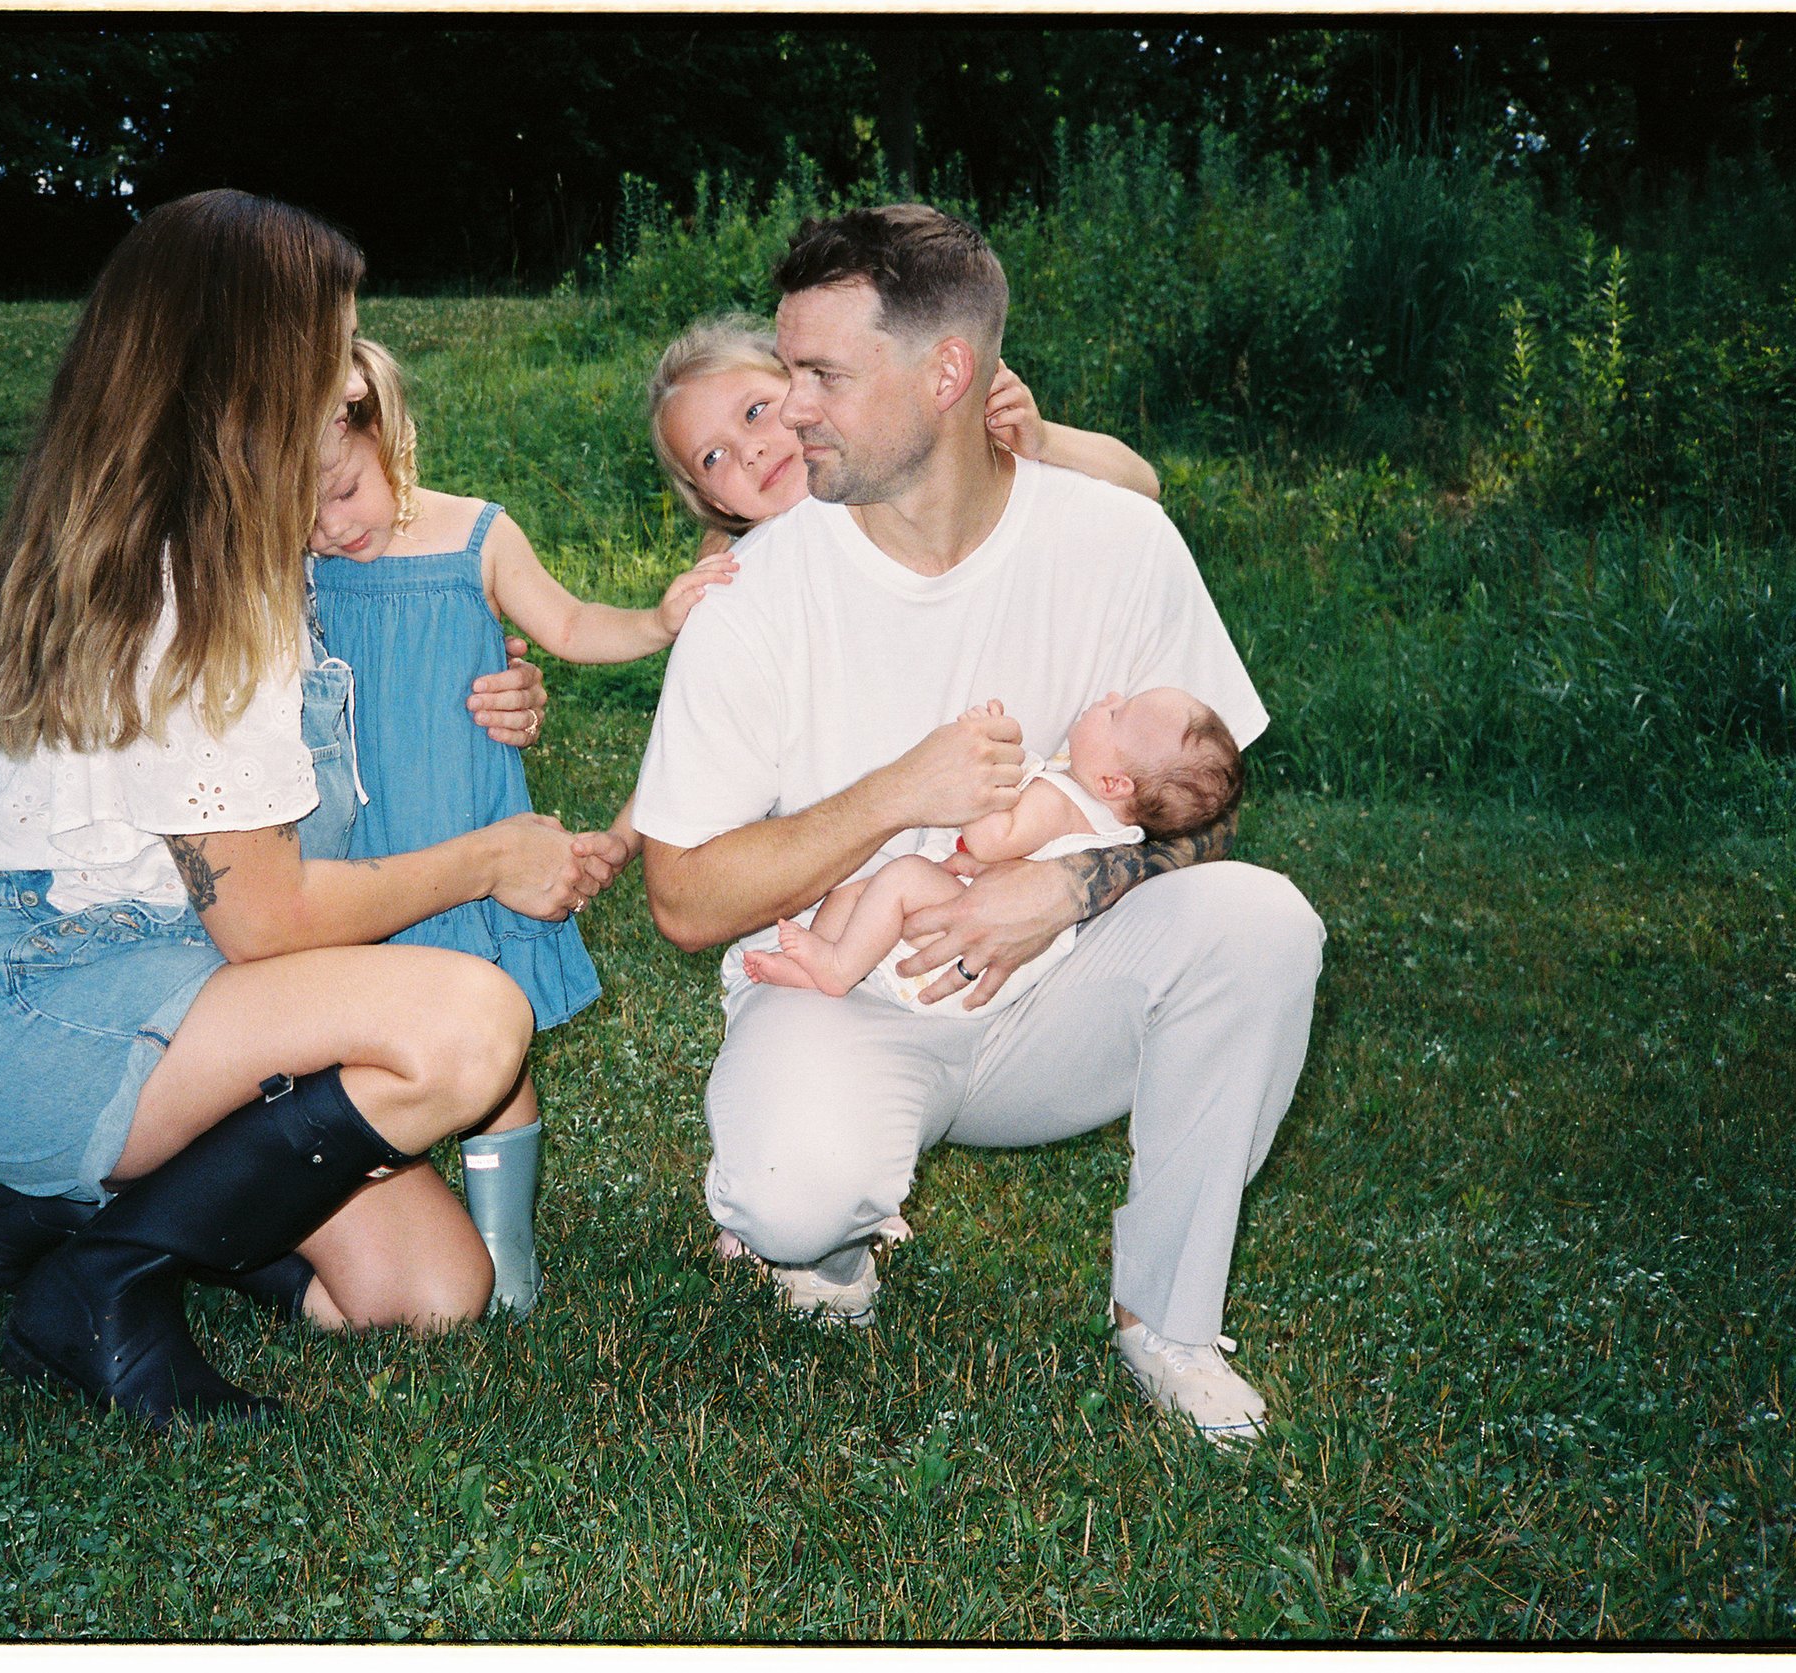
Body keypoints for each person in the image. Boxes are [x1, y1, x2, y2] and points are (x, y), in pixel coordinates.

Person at [0, 189, 615, 1431]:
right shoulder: (195, 595)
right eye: (325, 363)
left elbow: (294, 769)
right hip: (40, 1001)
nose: (347, 399)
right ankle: (104, 1282)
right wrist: (492, 855)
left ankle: (49, 1207)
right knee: (468, 1023)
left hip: (157, 976)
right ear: (241, 374)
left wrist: (486, 693)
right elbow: (271, 920)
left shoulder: (216, 535)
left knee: (429, 1292)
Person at [632, 204, 1324, 1447]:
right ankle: (828, 1242)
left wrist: (1062, 891)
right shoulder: (756, 595)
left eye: (822, 376)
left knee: (1261, 922)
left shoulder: (1116, 543)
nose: (790, 411)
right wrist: (899, 791)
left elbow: (1207, 809)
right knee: (793, 1194)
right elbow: (680, 898)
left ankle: (1166, 1320)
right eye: (785, 374)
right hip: (841, 993)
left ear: (946, 372)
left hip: (1054, 995)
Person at [306, 337, 728, 1315]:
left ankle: (504, 1241)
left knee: (498, 1056)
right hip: (365, 854)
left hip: (469, 821)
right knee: (367, 1036)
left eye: (344, 492)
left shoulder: (475, 537)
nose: (330, 528)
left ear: (390, 442)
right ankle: (378, 1205)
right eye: (302, 512)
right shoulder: (302, 565)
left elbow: (573, 627)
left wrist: (661, 619)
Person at [743, 688, 1241, 1015]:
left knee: (900, 878)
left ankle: (835, 970)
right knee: (856, 891)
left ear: (1114, 782)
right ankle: (821, 962)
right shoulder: (1096, 804)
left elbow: (988, 840)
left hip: (972, 924)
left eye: (1115, 713)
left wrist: (973, 767)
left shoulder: (1060, 802)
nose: (1107, 698)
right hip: (973, 902)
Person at [647, 315, 1160, 557]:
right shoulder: (747, 565)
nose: (750, 452)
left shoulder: (915, 461)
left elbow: (1142, 484)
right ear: (712, 500)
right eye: (713, 457)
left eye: (756, 411)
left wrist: (1044, 442)